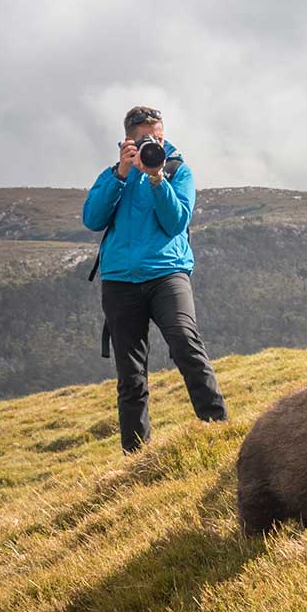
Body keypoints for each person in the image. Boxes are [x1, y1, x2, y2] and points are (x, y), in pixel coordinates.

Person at [83, 106, 227, 454]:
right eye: (146, 138)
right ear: (128, 138)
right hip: (120, 281)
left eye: (158, 137)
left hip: (167, 273)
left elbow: (176, 221)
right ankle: (137, 456)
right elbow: (92, 218)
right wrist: (121, 173)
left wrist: (157, 178)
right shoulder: (113, 175)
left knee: (185, 343)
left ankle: (218, 430)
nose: (153, 143)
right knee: (130, 374)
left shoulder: (178, 171)